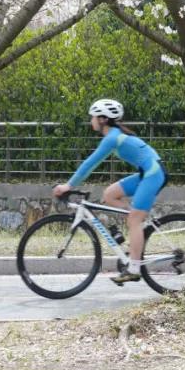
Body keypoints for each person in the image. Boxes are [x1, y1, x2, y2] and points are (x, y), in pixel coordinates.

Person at [53, 99, 166, 285]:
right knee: (109, 195)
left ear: (103, 119)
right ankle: (136, 227)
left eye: (93, 117)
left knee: (134, 219)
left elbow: (90, 164)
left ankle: (134, 268)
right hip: (148, 172)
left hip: (153, 174)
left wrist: (68, 185)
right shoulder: (114, 135)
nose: (91, 120)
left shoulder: (112, 137)